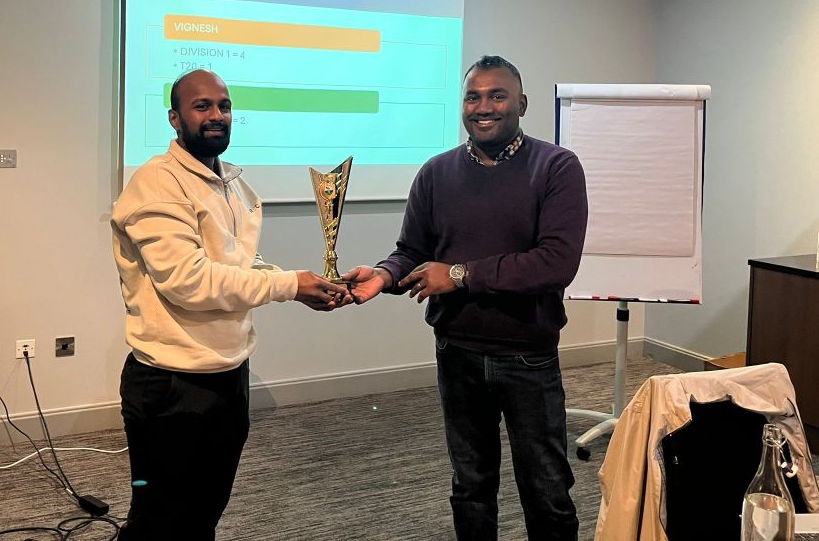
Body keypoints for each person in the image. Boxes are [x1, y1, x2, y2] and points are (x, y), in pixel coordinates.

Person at [345, 55, 588, 541]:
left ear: (522, 104)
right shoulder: (436, 173)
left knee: (547, 489)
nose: (483, 107)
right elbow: (412, 251)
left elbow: (555, 263)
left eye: (497, 95)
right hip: (456, 352)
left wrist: (459, 274)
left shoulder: (556, 167)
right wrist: (384, 274)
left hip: (528, 356)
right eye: (472, 97)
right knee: (471, 486)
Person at [111, 69, 349, 540]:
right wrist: (289, 285)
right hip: (171, 384)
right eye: (202, 106)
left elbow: (240, 264)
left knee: (204, 513)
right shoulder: (156, 183)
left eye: (224, 105)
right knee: (159, 522)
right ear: (174, 118)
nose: (216, 115)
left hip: (228, 373)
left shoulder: (233, 183)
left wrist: (309, 284)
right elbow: (188, 282)